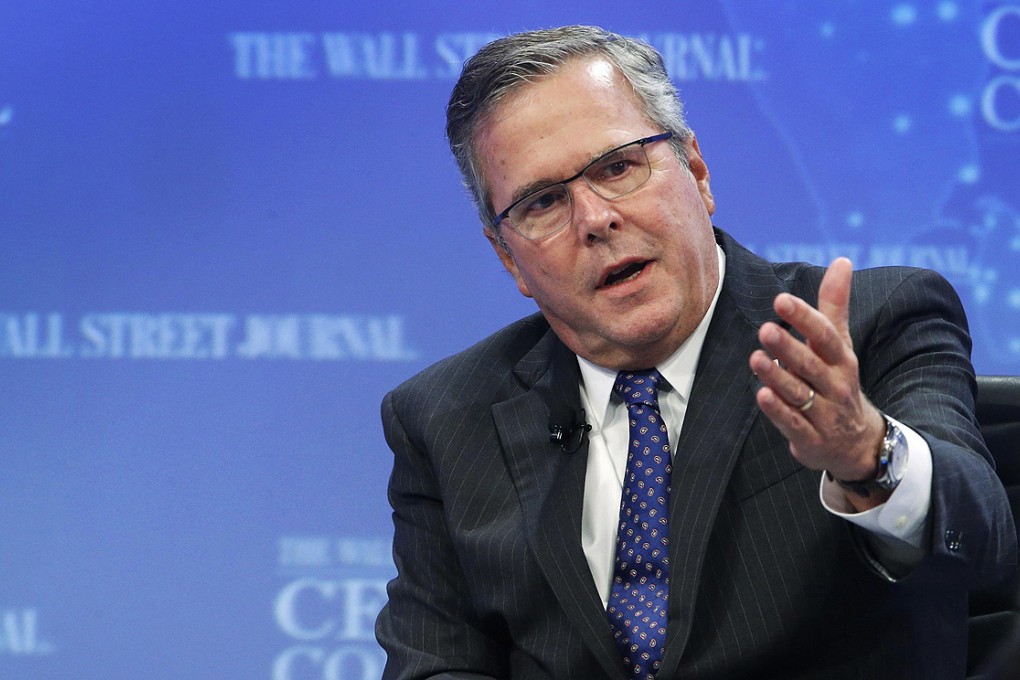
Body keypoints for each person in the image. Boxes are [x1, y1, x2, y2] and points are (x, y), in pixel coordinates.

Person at [375, 25, 1017, 680]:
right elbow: (433, 662)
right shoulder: (444, 420)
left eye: (617, 167)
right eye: (543, 202)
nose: (594, 219)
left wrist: (867, 455)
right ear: (508, 257)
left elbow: (984, 535)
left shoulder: (871, 323)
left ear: (697, 172)